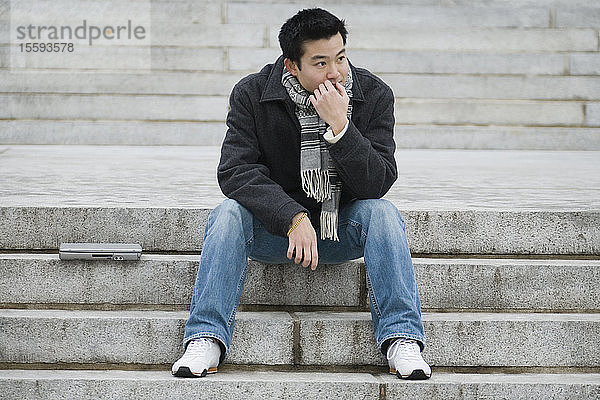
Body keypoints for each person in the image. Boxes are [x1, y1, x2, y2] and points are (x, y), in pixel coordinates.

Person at [172, 8, 431, 380]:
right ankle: (206, 337)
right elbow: (236, 171)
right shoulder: (253, 93)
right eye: (320, 63)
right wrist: (292, 218)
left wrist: (341, 125)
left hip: (338, 230)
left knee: (383, 213)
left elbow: (377, 182)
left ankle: (401, 339)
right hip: (277, 235)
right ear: (292, 66)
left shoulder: (373, 94)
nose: (336, 73)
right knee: (227, 213)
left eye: (340, 58)